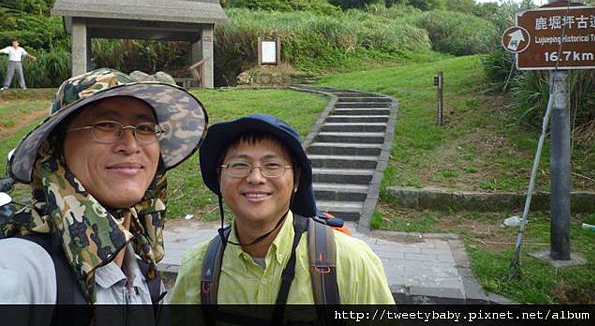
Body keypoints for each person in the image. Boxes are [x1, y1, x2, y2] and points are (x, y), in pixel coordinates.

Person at [0, 68, 208, 323]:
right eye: (106, 126)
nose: (131, 145)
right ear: (56, 147)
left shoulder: (145, 275)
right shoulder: (22, 269)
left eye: (144, 128)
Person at [170, 114, 395, 311]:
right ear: (219, 178)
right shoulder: (197, 268)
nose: (255, 178)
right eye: (239, 165)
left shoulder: (350, 262)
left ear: (296, 179)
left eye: (272, 165)